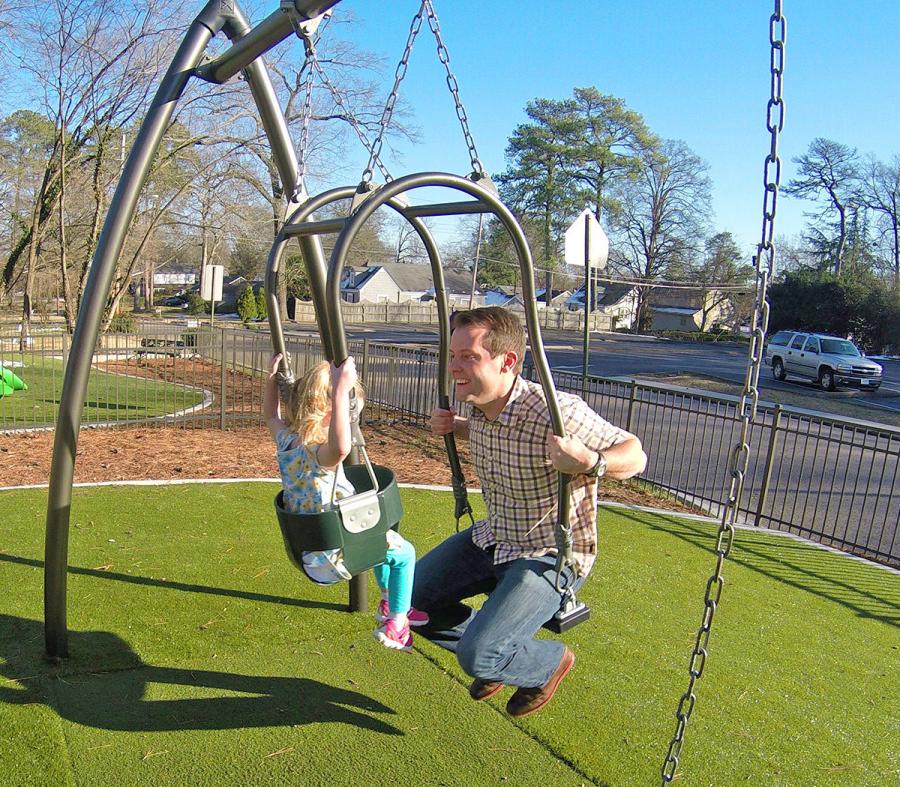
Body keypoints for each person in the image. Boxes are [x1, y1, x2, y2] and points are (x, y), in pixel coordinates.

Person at [413, 307, 646, 716]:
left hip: (549, 553)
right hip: (495, 536)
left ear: (508, 362)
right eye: (453, 356)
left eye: (469, 357)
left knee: (477, 656)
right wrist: (457, 427)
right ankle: (500, 652)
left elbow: (635, 454)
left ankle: (546, 663)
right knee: (410, 604)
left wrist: (591, 461)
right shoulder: (484, 405)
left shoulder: (556, 411)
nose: (455, 368)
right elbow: (503, 434)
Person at [264, 353, 429, 651]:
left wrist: (270, 380)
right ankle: (398, 623)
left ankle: (387, 601)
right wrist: (341, 391)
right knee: (404, 553)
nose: (353, 424)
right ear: (331, 413)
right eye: (352, 418)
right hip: (336, 555)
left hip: (308, 555)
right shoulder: (321, 454)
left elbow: (271, 416)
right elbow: (341, 446)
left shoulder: (286, 441)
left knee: (380, 540)